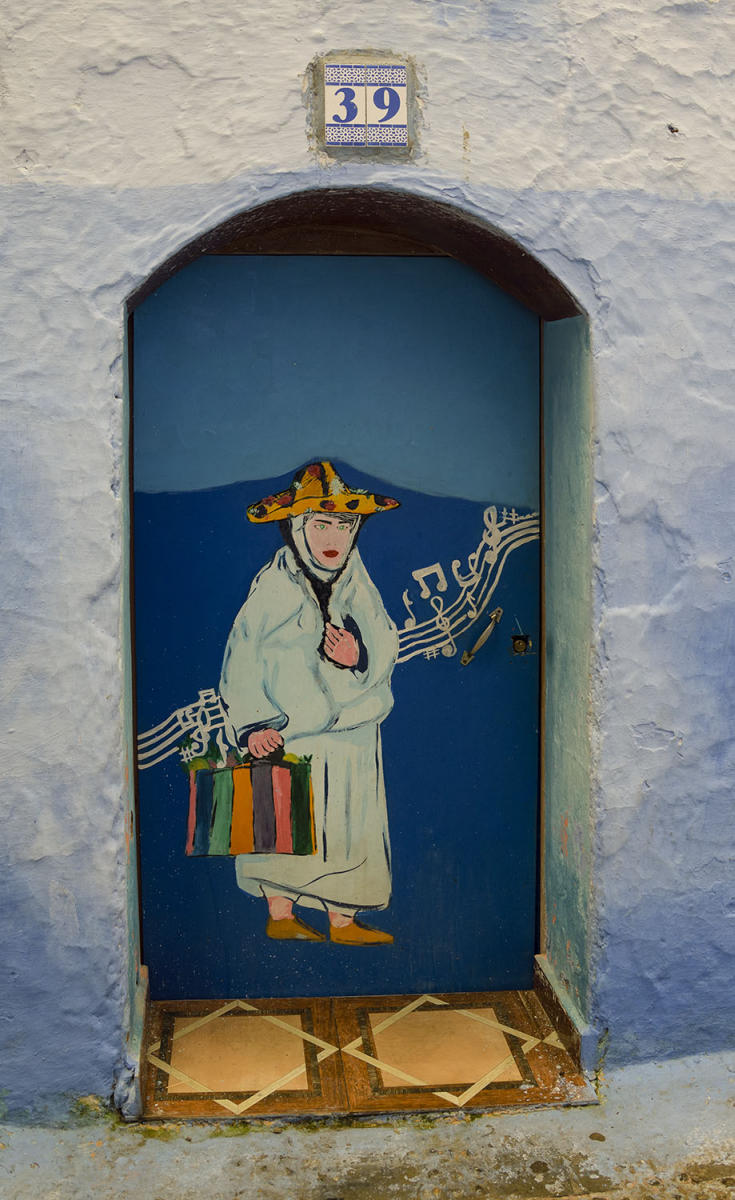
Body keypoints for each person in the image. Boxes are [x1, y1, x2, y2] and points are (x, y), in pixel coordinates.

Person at [219, 461, 400, 944]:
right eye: (321, 524)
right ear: (298, 527)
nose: (334, 536)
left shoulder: (358, 581)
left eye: (345, 524)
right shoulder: (273, 587)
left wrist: (358, 653)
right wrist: (254, 725)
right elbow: (241, 660)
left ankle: (343, 919)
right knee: (286, 823)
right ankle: (281, 913)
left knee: (348, 822)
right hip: (289, 733)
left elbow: (385, 637)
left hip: (352, 731)